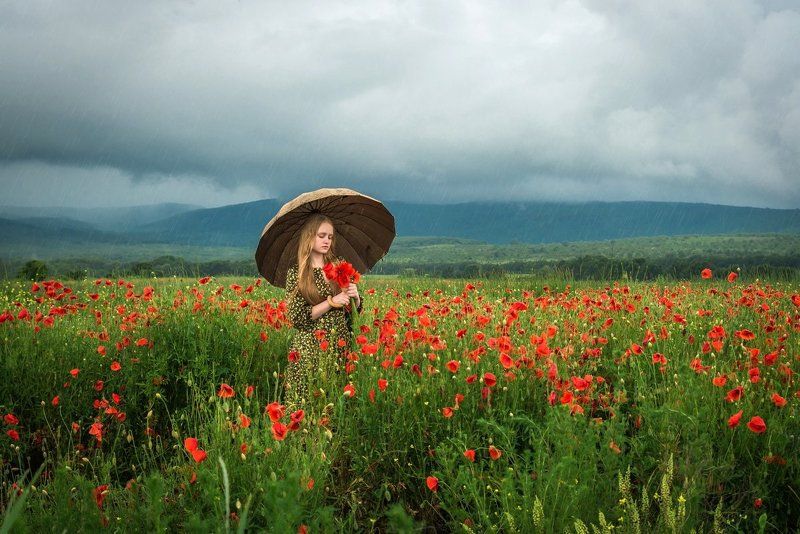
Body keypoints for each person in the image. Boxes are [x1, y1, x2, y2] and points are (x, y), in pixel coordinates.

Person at [284, 214, 363, 410]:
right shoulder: (297, 273)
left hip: (340, 345)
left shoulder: (339, 265)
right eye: (321, 235)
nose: (327, 240)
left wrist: (356, 297)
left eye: (330, 236)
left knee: (338, 404)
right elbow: (297, 318)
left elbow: (353, 313)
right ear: (309, 237)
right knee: (309, 405)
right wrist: (331, 302)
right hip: (310, 349)